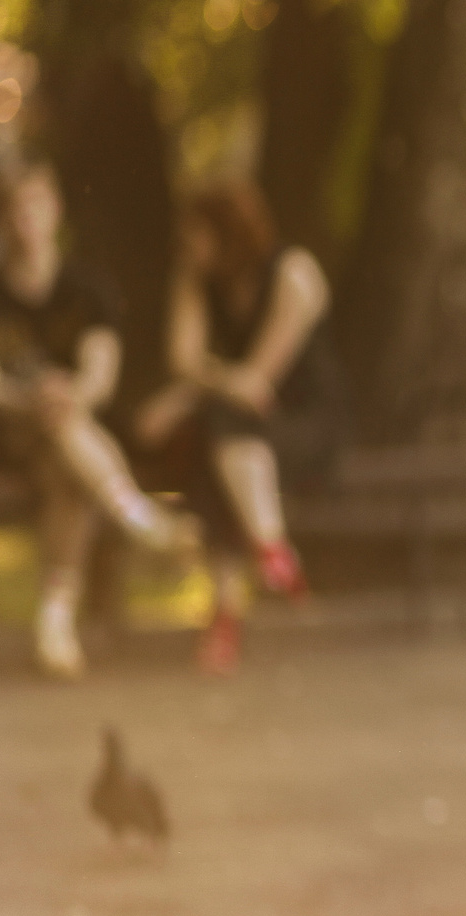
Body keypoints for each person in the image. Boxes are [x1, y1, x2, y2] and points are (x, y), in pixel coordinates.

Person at [0, 156, 193, 679]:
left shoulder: (88, 288)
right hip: (0, 436)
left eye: (36, 206)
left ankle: (55, 624)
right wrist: (31, 398)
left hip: (67, 440)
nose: (27, 222)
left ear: (55, 210)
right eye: (15, 211)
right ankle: (136, 515)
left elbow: (100, 376)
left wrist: (65, 396)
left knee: (69, 475)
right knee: (60, 425)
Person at [133, 182, 342, 675]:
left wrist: (185, 394)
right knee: (217, 443)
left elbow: (254, 384)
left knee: (220, 431)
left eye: (195, 237)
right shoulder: (200, 279)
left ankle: (228, 615)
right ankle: (270, 551)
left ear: (226, 233)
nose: (185, 250)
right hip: (241, 442)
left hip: (304, 424)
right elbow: (182, 359)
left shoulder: (295, 274)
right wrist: (192, 388)